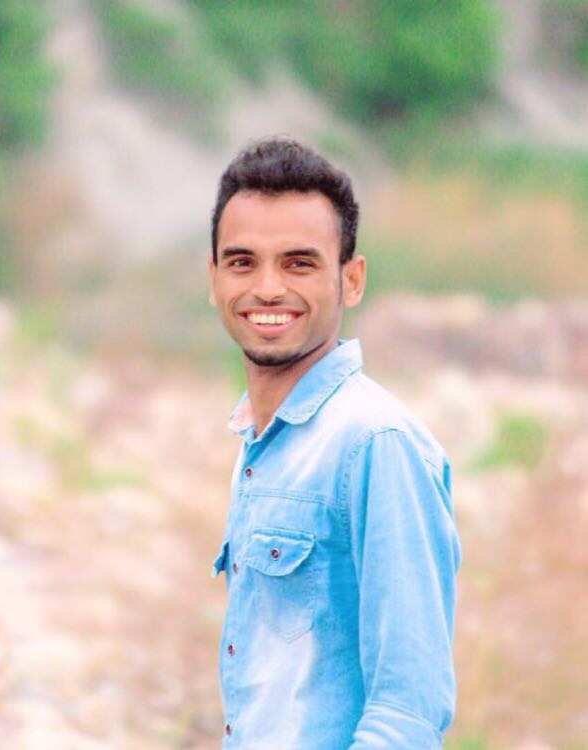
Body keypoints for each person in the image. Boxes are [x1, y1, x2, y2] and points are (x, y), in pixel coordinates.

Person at [207, 137, 461, 749]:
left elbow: (408, 709)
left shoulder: (375, 444)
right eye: (242, 262)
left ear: (351, 280)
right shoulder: (263, 439)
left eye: (299, 264)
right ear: (213, 280)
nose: (268, 288)